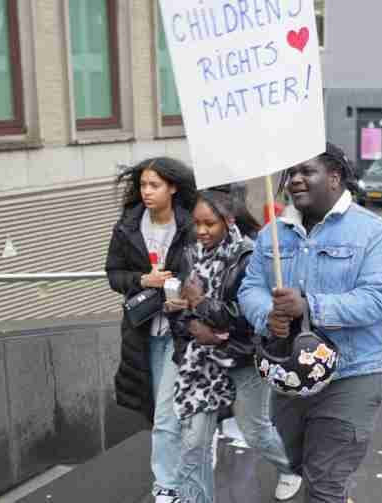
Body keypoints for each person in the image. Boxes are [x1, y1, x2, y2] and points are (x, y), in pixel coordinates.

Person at [238, 143, 382, 502]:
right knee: (303, 465)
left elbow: (376, 300)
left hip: (352, 376)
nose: (295, 179)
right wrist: (269, 315)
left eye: (306, 171)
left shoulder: (373, 233)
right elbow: (250, 287)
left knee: (324, 481)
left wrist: (309, 306)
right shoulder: (272, 234)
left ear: (334, 177)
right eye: (291, 173)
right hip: (290, 378)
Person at [169, 188, 302, 502]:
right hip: (200, 363)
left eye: (210, 224)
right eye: (197, 223)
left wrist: (200, 305)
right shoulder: (189, 255)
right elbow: (177, 309)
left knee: (255, 431)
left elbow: (246, 318)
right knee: (193, 444)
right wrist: (190, 323)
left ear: (228, 221)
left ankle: (290, 468)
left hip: (242, 358)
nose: (201, 231)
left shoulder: (248, 257)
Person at [105, 157, 196, 503]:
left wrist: (184, 294)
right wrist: (142, 280)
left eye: (154, 185)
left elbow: (207, 270)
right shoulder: (128, 226)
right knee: (163, 411)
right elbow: (113, 273)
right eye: (143, 185)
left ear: (172, 187)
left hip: (183, 332)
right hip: (144, 332)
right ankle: (194, 454)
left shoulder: (190, 224)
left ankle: (166, 485)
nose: (146, 192)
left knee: (165, 416)